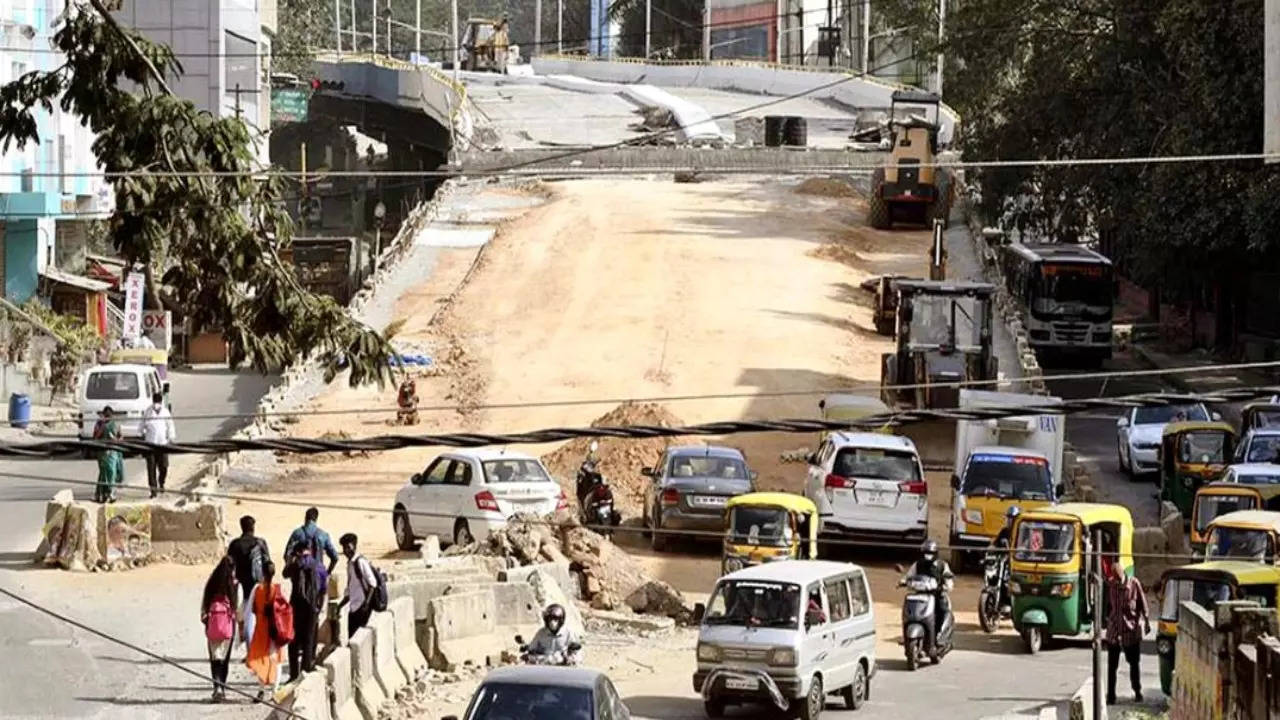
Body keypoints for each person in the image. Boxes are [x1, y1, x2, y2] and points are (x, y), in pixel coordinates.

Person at [1104, 559, 1150, 705]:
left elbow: (1143, 604)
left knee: (1134, 664)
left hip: (1130, 631)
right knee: (1112, 667)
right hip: (1114, 631)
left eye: (1118, 579)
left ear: (1123, 574)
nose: (1117, 582)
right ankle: (1111, 696)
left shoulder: (1134, 584)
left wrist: (1147, 622)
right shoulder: (1110, 585)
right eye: (1114, 579)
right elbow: (1107, 605)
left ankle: (1137, 691)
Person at [283, 543, 325, 681]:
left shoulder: (296, 565)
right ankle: (305, 671)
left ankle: (293, 674)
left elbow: (284, 574)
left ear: (298, 552)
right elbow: (323, 589)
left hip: (296, 607)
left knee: (293, 641)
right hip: (312, 607)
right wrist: (319, 607)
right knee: (309, 640)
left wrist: (291, 560)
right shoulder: (318, 566)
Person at [243, 560, 285, 701]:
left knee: (261, 658)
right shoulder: (277, 589)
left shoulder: (257, 589)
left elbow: (251, 609)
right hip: (275, 630)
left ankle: (261, 690)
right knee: (276, 660)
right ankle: (275, 691)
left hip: (261, 629)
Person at [201, 555, 239, 703]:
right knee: (224, 659)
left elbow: (205, 603)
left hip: (213, 624)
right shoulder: (232, 584)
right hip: (227, 626)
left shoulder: (212, 581)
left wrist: (206, 620)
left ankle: (216, 687)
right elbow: (235, 606)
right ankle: (222, 688)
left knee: (215, 658)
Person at [905, 539, 954, 632]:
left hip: (937, 594)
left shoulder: (942, 565)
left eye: (930, 553)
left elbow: (948, 578)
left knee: (943, 610)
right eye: (926, 553)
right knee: (910, 608)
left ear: (935, 553)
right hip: (921, 594)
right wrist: (903, 581)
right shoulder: (918, 564)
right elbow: (909, 575)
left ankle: (941, 633)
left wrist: (947, 585)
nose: (928, 556)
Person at [338, 533, 379, 639]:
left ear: (354, 546)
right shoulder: (349, 565)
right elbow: (350, 589)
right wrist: (340, 606)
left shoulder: (360, 562)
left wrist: (366, 604)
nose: (346, 550)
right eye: (344, 548)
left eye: (348, 547)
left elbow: (372, 584)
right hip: (353, 608)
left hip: (361, 608)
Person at [283, 508, 339, 579]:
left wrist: (291, 569)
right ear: (316, 519)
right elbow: (335, 557)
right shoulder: (323, 535)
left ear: (305, 518)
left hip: (299, 576)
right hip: (317, 576)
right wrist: (327, 573)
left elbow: (287, 555)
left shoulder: (297, 533)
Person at [141, 392, 176, 498]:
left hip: (162, 444)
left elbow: (170, 426)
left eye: (158, 402)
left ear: (161, 402)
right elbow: (141, 426)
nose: (156, 405)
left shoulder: (165, 412)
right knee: (151, 468)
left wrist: (171, 438)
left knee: (164, 467)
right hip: (150, 444)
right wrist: (142, 434)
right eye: (155, 402)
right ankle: (153, 490)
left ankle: (161, 482)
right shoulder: (148, 412)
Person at [227, 516, 270, 603]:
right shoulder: (260, 543)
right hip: (257, 584)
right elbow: (268, 565)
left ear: (241, 527)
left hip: (240, 585)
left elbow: (228, 565)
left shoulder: (235, 544)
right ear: (253, 527)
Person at [92, 407, 124, 503]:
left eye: (109, 416)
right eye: (106, 415)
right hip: (102, 452)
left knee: (112, 472)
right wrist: (103, 428)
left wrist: (116, 439)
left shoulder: (116, 424)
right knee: (103, 473)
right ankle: (101, 494)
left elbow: (121, 436)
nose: (107, 417)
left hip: (113, 451)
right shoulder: (99, 424)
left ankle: (111, 493)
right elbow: (95, 437)